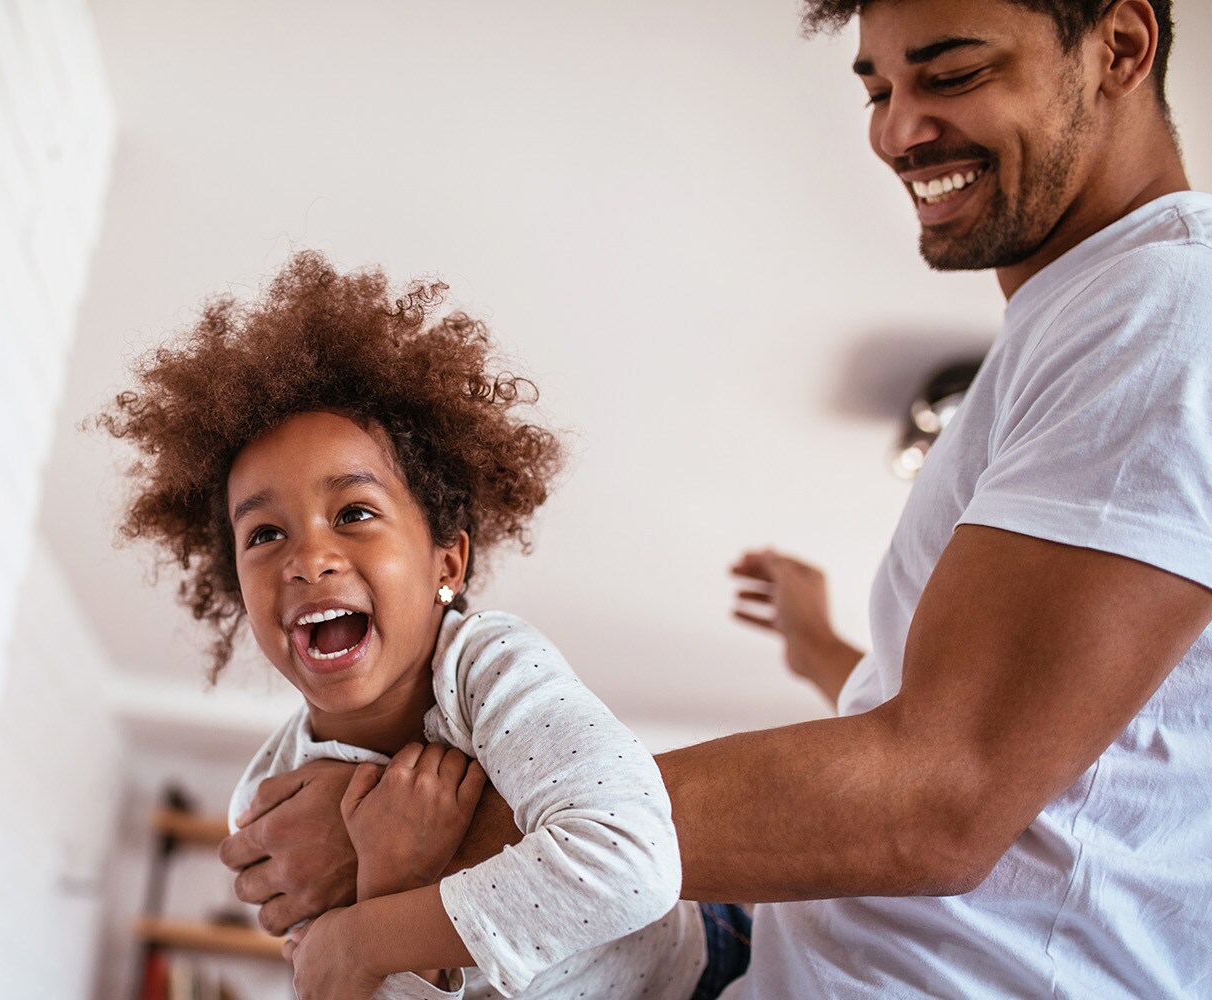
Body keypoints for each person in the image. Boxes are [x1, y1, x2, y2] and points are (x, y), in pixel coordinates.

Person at [221, 0, 1212, 995]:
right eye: (877, 87)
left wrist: (400, 833)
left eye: (950, 75)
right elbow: (1030, 739)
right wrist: (823, 649)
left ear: (1121, 46)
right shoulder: (1087, 323)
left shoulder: (1164, 309)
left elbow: (946, 794)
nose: (897, 130)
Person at [99, 253, 750, 999]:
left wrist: (371, 931)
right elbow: (333, 984)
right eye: (264, 535)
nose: (309, 558)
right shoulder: (269, 798)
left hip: (712, 974)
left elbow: (632, 862)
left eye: (354, 513)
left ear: (448, 563)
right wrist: (388, 879)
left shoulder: (487, 668)